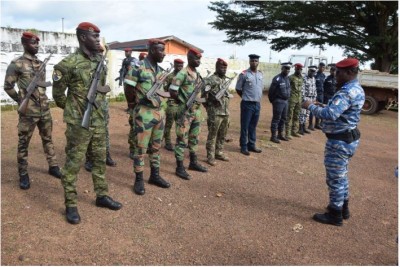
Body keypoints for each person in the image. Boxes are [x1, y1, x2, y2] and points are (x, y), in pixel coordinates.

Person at [52, 22, 122, 224]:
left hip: (98, 120)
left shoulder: (99, 60)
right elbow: (58, 96)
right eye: (94, 36)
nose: (98, 40)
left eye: (99, 36)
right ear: (83, 37)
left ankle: (102, 196)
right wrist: (74, 111)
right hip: (79, 124)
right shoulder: (67, 64)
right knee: (73, 164)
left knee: (99, 161)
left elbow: (100, 87)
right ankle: (71, 205)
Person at [302, 58, 365, 226]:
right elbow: (341, 110)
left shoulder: (346, 92)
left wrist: (309, 106)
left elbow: (330, 114)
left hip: (339, 142)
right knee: (342, 175)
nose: (335, 75)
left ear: (350, 72)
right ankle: (343, 208)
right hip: (348, 138)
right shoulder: (355, 88)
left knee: (335, 178)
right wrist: (322, 104)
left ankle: (335, 214)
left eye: (339, 72)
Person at [3, 31, 62, 190]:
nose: (36, 45)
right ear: (24, 44)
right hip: (28, 112)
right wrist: (20, 100)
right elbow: (8, 87)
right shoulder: (16, 64)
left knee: (48, 139)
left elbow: (42, 87)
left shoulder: (40, 63)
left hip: (44, 110)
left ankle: (53, 166)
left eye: (37, 43)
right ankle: (23, 173)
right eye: (33, 43)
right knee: (23, 143)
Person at [124, 39, 171, 195]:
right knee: (141, 148)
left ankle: (155, 175)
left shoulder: (160, 70)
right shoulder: (138, 67)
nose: (164, 53)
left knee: (156, 147)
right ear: (151, 51)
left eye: (164, 50)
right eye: (161, 50)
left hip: (159, 113)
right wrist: (133, 103)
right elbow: (128, 87)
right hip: (144, 113)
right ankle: (138, 179)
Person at [169, 48, 208, 180]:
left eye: (199, 59)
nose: (198, 61)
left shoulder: (197, 74)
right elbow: (172, 90)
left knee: (194, 137)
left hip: (196, 111)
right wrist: (182, 102)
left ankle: (193, 162)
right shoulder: (182, 74)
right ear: (189, 58)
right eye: (196, 59)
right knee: (181, 139)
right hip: (185, 112)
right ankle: (179, 167)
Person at [85, 45, 117, 171]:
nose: (100, 54)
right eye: (98, 52)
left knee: (105, 131)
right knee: (90, 131)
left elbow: (102, 85)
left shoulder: (102, 65)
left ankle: (106, 154)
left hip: (102, 104)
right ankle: (89, 159)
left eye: (101, 52)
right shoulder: (87, 65)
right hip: (91, 103)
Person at [203, 58, 232, 166]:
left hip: (225, 112)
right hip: (215, 113)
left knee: (222, 134)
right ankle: (210, 156)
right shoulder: (210, 80)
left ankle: (219, 152)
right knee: (212, 135)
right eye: (222, 67)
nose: (224, 70)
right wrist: (209, 106)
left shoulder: (225, 80)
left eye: (225, 68)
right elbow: (203, 96)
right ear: (216, 67)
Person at [235, 54, 264, 155]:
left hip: (257, 104)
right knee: (245, 126)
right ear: (249, 62)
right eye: (252, 61)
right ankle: (243, 146)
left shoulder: (260, 74)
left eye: (256, 61)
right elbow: (238, 89)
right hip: (247, 104)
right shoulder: (244, 74)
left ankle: (251, 144)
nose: (254, 63)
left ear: (258, 62)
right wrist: (246, 97)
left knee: (253, 126)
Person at [163, 58, 185, 151]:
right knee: (169, 124)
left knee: (180, 124)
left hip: (182, 104)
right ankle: (167, 143)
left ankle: (180, 141)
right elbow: (165, 89)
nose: (180, 67)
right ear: (174, 65)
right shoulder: (170, 77)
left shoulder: (184, 76)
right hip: (172, 104)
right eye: (178, 65)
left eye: (181, 66)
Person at [268, 62, 292, 143]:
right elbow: (271, 91)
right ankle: (273, 136)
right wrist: (273, 101)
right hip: (278, 101)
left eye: (289, 69)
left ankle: (280, 134)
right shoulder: (277, 78)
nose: (287, 70)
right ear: (282, 69)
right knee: (276, 119)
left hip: (285, 102)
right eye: (286, 68)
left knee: (283, 118)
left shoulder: (287, 79)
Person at [286, 63, 304, 139]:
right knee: (289, 116)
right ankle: (287, 133)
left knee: (296, 116)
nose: (299, 71)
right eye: (297, 69)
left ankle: (294, 131)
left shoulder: (302, 78)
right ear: (295, 69)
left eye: (300, 69)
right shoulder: (290, 78)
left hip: (299, 99)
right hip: (291, 99)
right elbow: (287, 88)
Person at [298, 65, 317, 135]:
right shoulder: (304, 78)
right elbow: (302, 89)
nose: (312, 73)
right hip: (305, 98)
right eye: (311, 71)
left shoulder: (313, 79)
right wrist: (304, 99)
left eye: (314, 72)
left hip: (311, 98)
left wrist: (315, 97)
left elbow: (314, 88)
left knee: (307, 114)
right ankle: (300, 128)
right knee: (302, 113)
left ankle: (304, 127)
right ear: (308, 71)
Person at [310, 62, 326, 130]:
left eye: (323, 67)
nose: (322, 68)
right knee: (312, 109)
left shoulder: (323, 76)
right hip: (315, 94)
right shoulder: (315, 75)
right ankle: (310, 125)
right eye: (321, 67)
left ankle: (317, 124)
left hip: (321, 94)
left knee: (320, 109)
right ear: (319, 67)